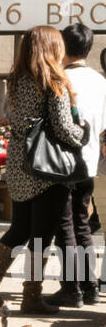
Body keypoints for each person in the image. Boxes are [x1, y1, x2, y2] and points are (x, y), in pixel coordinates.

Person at [0, 25, 88, 313]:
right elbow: (63, 128)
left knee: (19, 228)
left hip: (19, 163)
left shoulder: (16, 79)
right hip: (47, 170)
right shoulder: (54, 82)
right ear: (53, 48)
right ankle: (31, 296)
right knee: (41, 236)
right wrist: (83, 134)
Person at [43, 22, 106, 307]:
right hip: (89, 161)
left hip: (61, 163)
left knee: (64, 226)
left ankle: (71, 287)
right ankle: (89, 284)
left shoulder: (59, 79)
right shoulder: (101, 82)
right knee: (82, 224)